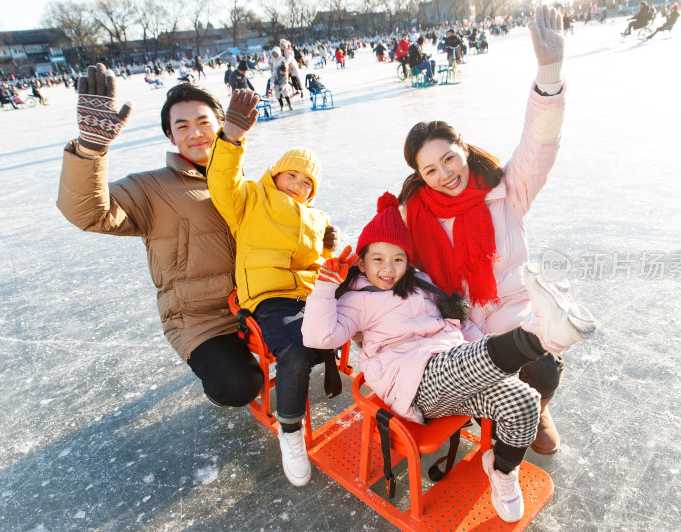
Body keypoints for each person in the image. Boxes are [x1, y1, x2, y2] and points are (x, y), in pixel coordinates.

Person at [302, 193, 595, 523]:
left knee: (524, 401)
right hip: (414, 385)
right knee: (458, 363)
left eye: (398, 259)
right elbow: (318, 338)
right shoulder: (356, 299)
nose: (388, 268)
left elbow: (461, 326)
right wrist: (325, 288)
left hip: (454, 372)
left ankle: (501, 471)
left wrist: (492, 366)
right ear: (362, 261)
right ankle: (542, 335)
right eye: (378, 259)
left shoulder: (422, 284)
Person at [397, 6, 586, 456]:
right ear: (420, 176)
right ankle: (502, 408)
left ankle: (534, 406)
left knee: (542, 370)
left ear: (464, 150)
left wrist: (549, 78)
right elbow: (382, 259)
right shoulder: (412, 215)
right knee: (478, 375)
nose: (444, 173)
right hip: (452, 323)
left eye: (449, 159)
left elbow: (539, 145)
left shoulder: (506, 190)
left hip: (509, 312)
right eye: (430, 169)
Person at [56, 64, 264, 412]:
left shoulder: (243, 182)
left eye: (203, 122)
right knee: (241, 386)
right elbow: (87, 212)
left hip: (255, 303)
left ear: (222, 124)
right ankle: (218, 381)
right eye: (182, 126)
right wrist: (90, 151)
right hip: (200, 319)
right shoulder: (148, 188)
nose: (195, 133)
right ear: (171, 136)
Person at [206, 88, 339, 488]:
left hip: (311, 292)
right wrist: (230, 139)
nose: (296, 184)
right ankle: (291, 433)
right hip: (270, 299)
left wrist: (334, 248)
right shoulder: (251, 197)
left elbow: (321, 259)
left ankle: (396, 385)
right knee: (296, 350)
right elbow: (223, 183)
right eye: (290, 174)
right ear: (275, 173)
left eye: (306, 181)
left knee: (379, 309)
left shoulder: (316, 217)